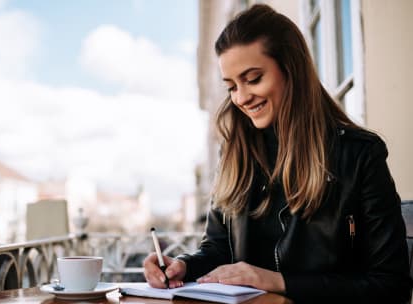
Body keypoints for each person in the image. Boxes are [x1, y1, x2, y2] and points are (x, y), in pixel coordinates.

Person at [143, 4, 412, 303]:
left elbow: (392, 286)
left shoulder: (359, 155)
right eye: (232, 86)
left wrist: (279, 282)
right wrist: (184, 265)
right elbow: (218, 250)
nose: (241, 98)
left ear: (291, 70)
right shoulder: (234, 155)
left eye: (254, 78)